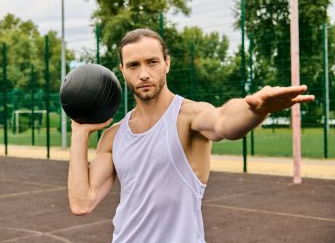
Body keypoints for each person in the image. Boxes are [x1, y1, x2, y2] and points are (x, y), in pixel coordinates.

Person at [68, 28, 315, 242]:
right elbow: (82, 203)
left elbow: (224, 121)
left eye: (152, 62)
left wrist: (255, 110)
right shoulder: (114, 136)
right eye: (134, 65)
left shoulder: (189, 117)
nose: (143, 73)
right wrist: (79, 132)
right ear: (122, 70)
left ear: (167, 63)